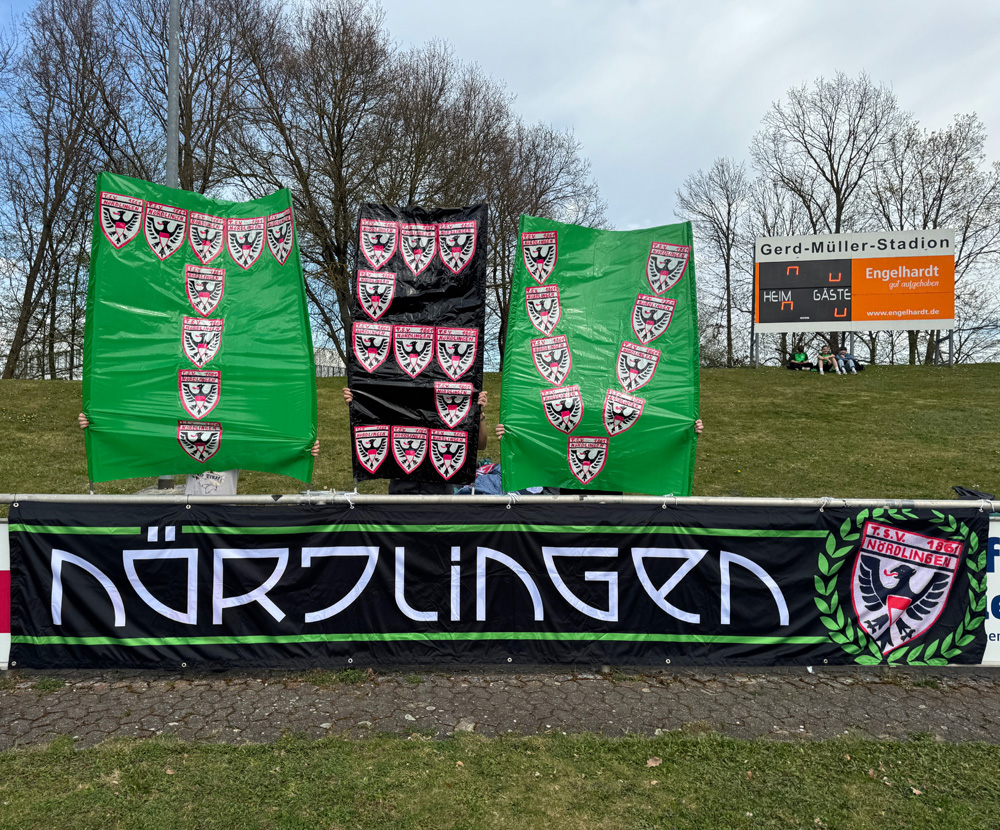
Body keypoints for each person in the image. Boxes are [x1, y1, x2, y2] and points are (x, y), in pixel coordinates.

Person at [78, 413, 319, 494]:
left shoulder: (235, 438)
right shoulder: (183, 437)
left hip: (225, 516)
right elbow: (140, 437)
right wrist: (98, 425)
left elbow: (270, 444)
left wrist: (302, 447)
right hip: (191, 513)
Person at [343, 387, 488, 494]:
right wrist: (359, 403)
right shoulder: (395, 407)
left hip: (440, 494)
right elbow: (371, 427)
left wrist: (478, 414)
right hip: (401, 492)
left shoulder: (445, 411)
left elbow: (480, 444)